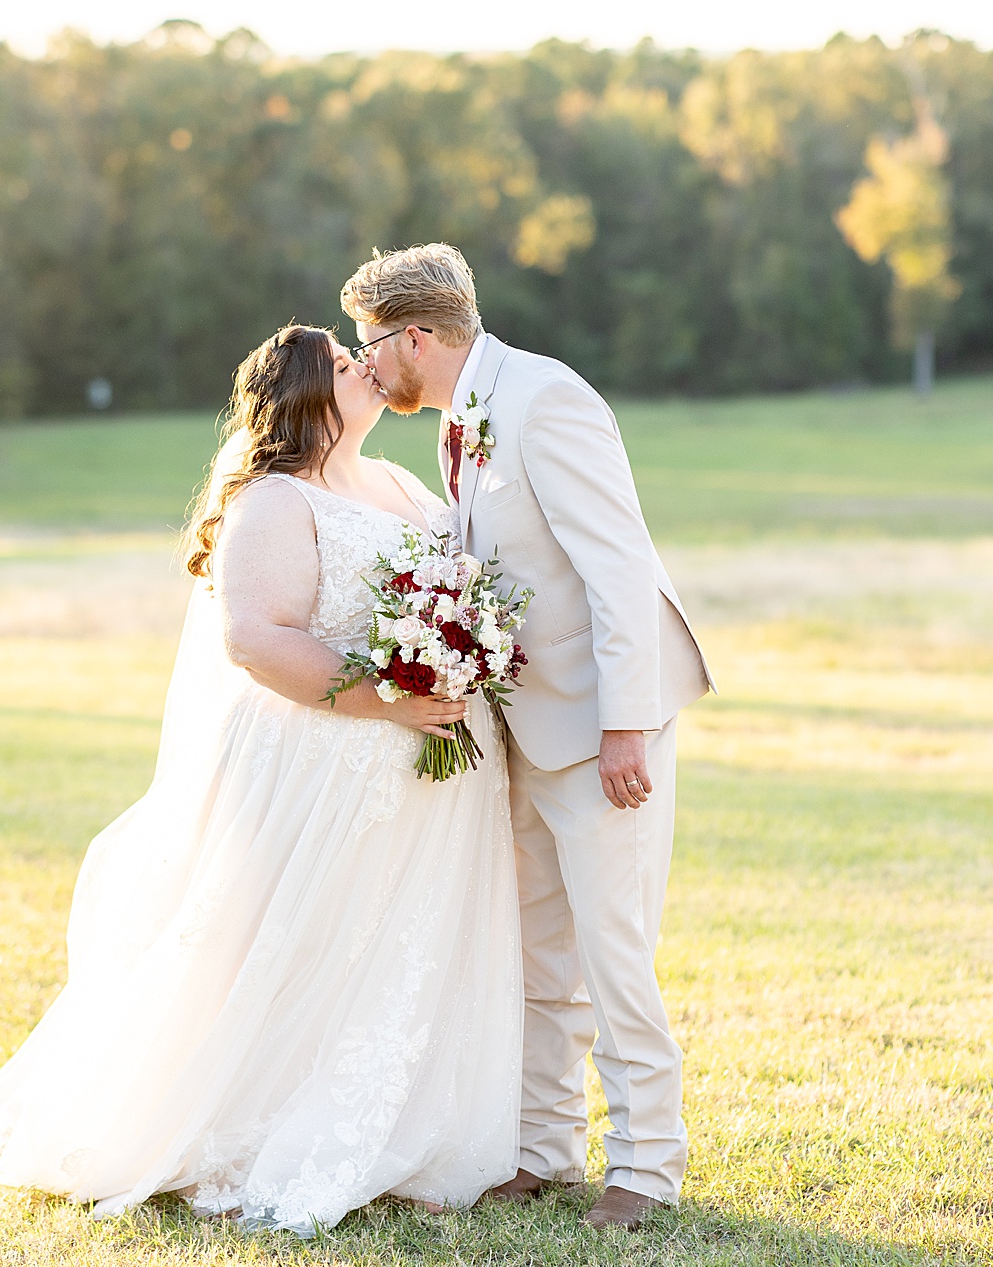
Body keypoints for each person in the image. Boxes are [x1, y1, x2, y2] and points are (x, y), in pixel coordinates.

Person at [0, 325, 522, 1235]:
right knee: (296, 942)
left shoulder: (405, 485)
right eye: (343, 363)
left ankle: (406, 1128)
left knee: (399, 943)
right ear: (306, 398)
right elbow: (255, 638)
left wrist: (458, 656)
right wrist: (388, 697)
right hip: (327, 764)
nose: (366, 367)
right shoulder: (273, 502)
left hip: (430, 771)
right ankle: (253, 1122)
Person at [341, 244, 713, 1231]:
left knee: (612, 950)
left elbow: (619, 571)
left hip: (600, 731)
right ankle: (542, 1150)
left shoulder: (548, 399)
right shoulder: (463, 419)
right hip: (521, 732)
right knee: (540, 956)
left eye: (372, 346)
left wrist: (625, 727)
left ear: (415, 336)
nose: (369, 367)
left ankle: (644, 1164)